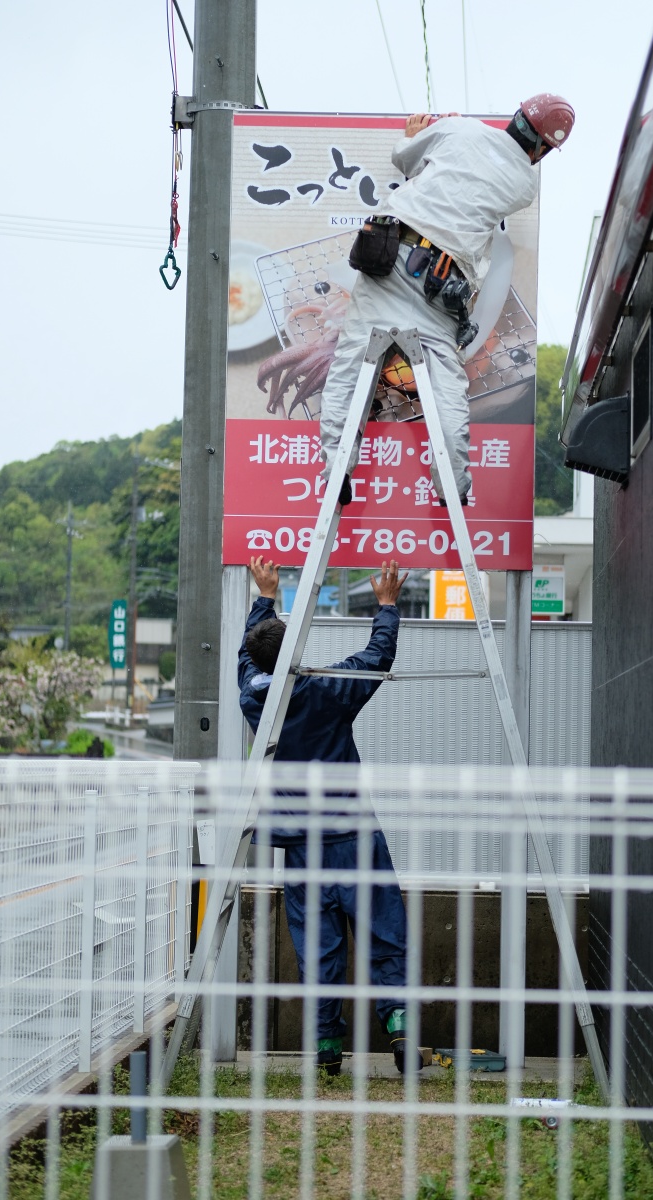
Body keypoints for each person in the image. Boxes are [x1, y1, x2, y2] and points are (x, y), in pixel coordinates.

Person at [319, 94, 576, 507]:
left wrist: (418, 135)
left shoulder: (461, 128)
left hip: (388, 253)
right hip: (439, 285)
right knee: (446, 385)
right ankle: (452, 486)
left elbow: (405, 158)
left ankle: (335, 472)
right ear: (544, 148)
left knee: (351, 366)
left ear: (516, 115)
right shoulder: (525, 186)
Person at [238, 555, 419, 1076]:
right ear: (296, 652)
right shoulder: (329, 691)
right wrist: (386, 606)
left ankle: (325, 1050)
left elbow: (246, 661)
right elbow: (376, 656)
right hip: (355, 838)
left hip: (300, 847)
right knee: (387, 936)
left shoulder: (255, 699)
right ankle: (401, 1031)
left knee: (319, 950)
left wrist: (263, 598)